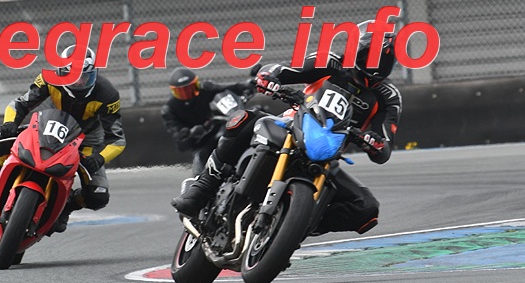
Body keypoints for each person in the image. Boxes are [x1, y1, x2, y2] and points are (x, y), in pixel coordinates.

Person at [171, 21, 402, 236]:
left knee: (366, 208)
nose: (378, 63)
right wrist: (268, 77)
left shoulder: (388, 97)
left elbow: (384, 148)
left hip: (325, 155)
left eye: (385, 58)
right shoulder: (330, 62)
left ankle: (294, 226)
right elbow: (283, 70)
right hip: (290, 126)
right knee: (245, 118)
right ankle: (202, 187)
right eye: (372, 55)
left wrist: (374, 143)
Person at [0, 46, 126, 234]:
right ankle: (0, 178)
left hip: (85, 141)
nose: (79, 82)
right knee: (3, 138)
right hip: (45, 127)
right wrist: (9, 123)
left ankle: (68, 205)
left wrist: (100, 158)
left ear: (94, 73)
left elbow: (117, 140)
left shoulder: (108, 95)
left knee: (98, 195)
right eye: (73, 76)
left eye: (84, 76)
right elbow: (19, 104)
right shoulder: (48, 79)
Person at [161, 68, 254, 175]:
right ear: (174, 92)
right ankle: (201, 181)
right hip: (201, 143)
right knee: (200, 164)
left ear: (197, 84)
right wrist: (190, 133)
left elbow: (227, 89)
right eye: (182, 92)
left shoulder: (206, 89)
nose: (187, 94)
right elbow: (179, 141)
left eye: (190, 89)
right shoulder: (170, 109)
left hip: (219, 127)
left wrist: (247, 85)